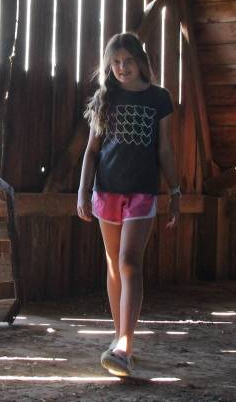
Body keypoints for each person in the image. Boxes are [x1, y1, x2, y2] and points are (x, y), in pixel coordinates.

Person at [76, 31, 181, 378]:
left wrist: (176, 192)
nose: (122, 67)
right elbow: (91, 153)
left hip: (143, 194)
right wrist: (82, 192)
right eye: (116, 62)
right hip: (105, 192)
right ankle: (118, 336)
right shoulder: (104, 98)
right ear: (109, 65)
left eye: (128, 61)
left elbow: (165, 149)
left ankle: (125, 345)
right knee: (113, 265)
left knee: (129, 263)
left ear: (141, 62)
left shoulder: (159, 99)